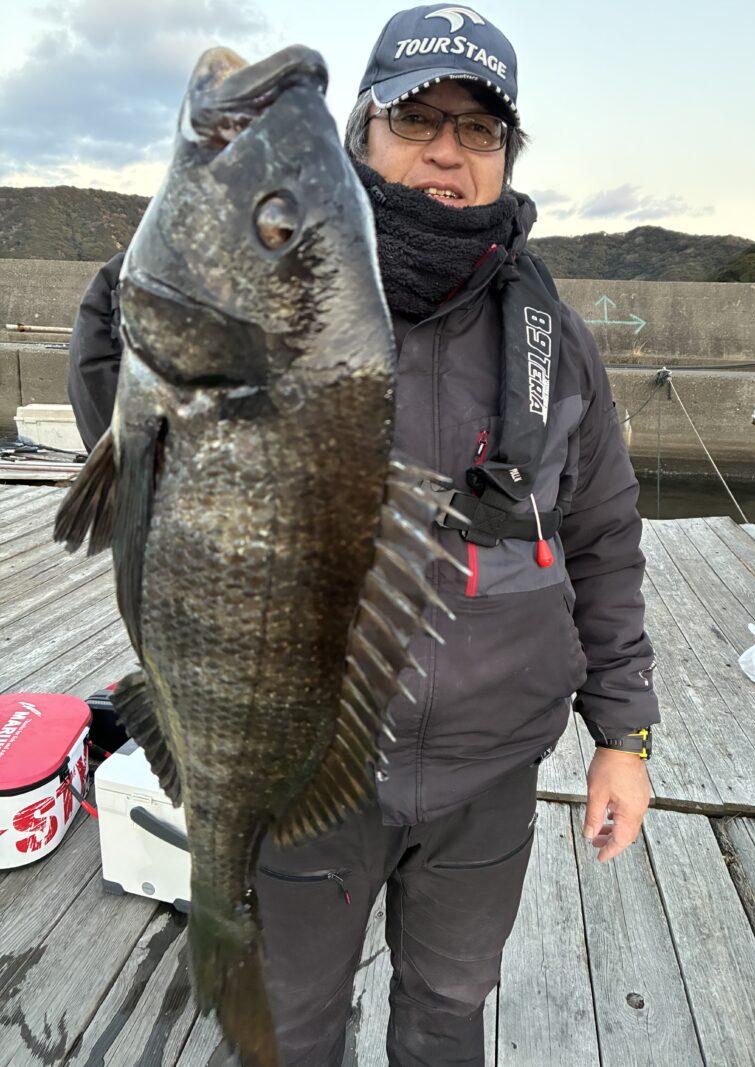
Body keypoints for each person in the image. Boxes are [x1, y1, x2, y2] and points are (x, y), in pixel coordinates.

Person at [68, 6, 659, 1064]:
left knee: (448, 1010)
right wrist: (159, 270)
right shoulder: (276, 308)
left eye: (479, 128)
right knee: (294, 1029)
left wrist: (623, 736)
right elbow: (125, 434)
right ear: (362, 136)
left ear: (506, 153)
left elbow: (605, 537)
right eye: (415, 118)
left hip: (489, 775)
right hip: (308, 777)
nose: (447, 150)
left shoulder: (555, 342)